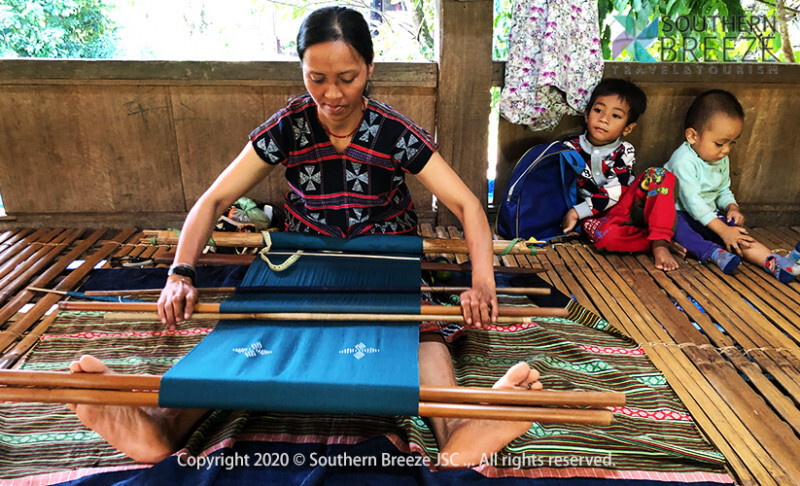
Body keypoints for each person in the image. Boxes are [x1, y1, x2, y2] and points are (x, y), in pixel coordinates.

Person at [68, 6, 543, 469]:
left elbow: (467, 205)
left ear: (369, 68)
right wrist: (180, 273)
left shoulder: (394, 132)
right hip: (302, 265)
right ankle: (160, 424)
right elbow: (212, 201)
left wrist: (483, 281)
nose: (332, 94)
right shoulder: (289, 126)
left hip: (386, 268)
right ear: (301, 70)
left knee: (419, 330)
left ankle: (459, 429)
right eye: (316, 78)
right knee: (256, 329)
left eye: (348, 78)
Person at [664, 89, 800, 281]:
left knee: (739, 236)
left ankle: (775, 262)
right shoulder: (683, 161)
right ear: (693, 136)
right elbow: (693, 204)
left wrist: (731, 207)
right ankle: (715, 254)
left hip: (709, 217)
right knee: (678, 230)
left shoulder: (720, 159)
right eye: (720, 143)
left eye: (732, 143)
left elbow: (722, 189)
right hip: (679, 213)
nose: (726, 150)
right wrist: (722, 230)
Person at [560, 79, 682, 271]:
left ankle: (659, 242)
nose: (604, 119)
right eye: (598, 110)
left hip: (627, 202)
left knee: (661, 175)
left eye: (616, 115)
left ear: (628, 128)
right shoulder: (569, 148)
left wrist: (577, 211)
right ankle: (652, 242)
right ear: (586, 114)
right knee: (604, 239)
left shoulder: (625, 151)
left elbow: (616, 190)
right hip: (599, 218)